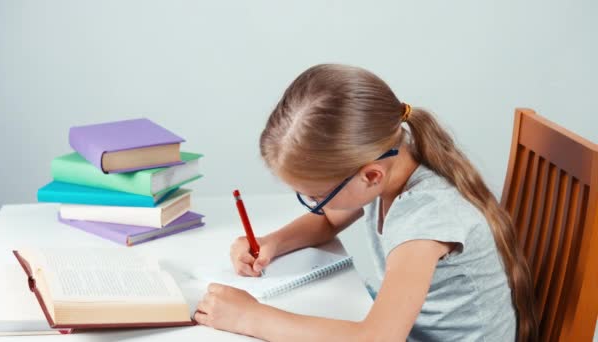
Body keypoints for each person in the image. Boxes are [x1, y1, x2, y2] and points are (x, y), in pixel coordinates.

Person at [193, 64, 537, 341]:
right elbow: (329, 220)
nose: (315, 205)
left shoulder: (426, 218)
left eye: (316, 195)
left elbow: (378, 337)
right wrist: (271, 243)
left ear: (370, 176)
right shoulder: (394, 164)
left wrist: (251, 318)